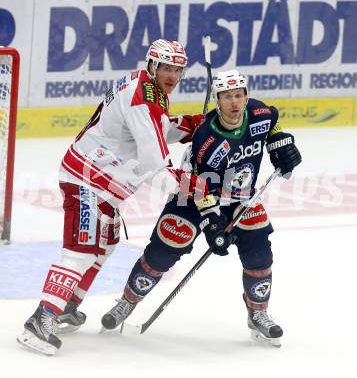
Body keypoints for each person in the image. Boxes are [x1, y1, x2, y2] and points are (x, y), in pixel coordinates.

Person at [17, 39, 206, 355]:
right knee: (82, 248)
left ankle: (66, 305)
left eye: (177, 69)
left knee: (105, 242)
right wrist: (196, 185)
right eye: (166, 68)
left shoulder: (147, 88)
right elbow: (157, 172)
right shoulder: (145, 100)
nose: (172, 76)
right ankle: (41, 319)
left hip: (101, 178)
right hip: (86, 179)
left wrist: (189, 126)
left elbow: (150, 128)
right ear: (152, 66)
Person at [99, 70, 302, 346]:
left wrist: (281, 141)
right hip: (194, 196)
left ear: (246, 96)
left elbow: (273, 122)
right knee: (163, 249)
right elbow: (201, 191)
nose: (234, 103)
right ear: (217, 100)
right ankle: (127, 301)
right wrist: (213, 224)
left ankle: (258, 314)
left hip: (240, 198)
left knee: (259, 252)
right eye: (227, 97)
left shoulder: (258, 113)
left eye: (239, 96)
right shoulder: (208, 140)